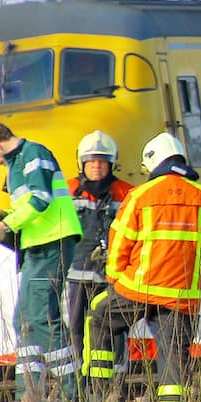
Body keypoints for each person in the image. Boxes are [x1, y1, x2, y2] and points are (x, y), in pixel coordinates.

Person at [84, 132, 201, 402]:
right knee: (173, 357)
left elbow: (120, 244)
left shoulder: (140, 196)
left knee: (101, 320)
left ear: (153, 162)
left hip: (139, 288)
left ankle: (102, 401)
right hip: (182, 295)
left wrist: (116, 278)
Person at [0, 120, 84, 402]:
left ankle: (75, 395)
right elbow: (30, 205)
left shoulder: (33, 153)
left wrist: (5, 225)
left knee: (41, 318)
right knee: (23, 320)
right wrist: (3, 214)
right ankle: (29, 398)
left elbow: (41, 199)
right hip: (38, 245)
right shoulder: (17, 163)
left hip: (53, 242)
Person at [65, 130, 134, 385]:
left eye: (102, 161)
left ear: (111, 163)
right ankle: (78, 382)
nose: (96, 166)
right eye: (91, 161)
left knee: (114, 328)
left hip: (113, 276)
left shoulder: (127, 193)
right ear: (82, 163)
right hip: (77, 274)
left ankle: (113, 384)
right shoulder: (69, 190)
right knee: (75, 328)